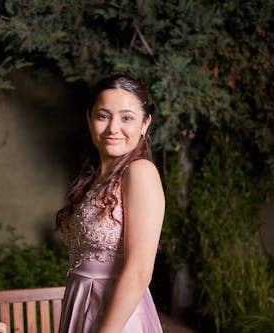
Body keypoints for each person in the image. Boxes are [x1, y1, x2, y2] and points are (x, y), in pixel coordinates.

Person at [56, 73, 165, 332]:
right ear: (89, 119)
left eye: (127, 117)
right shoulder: (93, 179)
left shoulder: (139, 172)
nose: (113, 128)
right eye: (103, 115)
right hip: (79, 306)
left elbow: (139, 272)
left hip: (117, 319)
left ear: (144, 124)